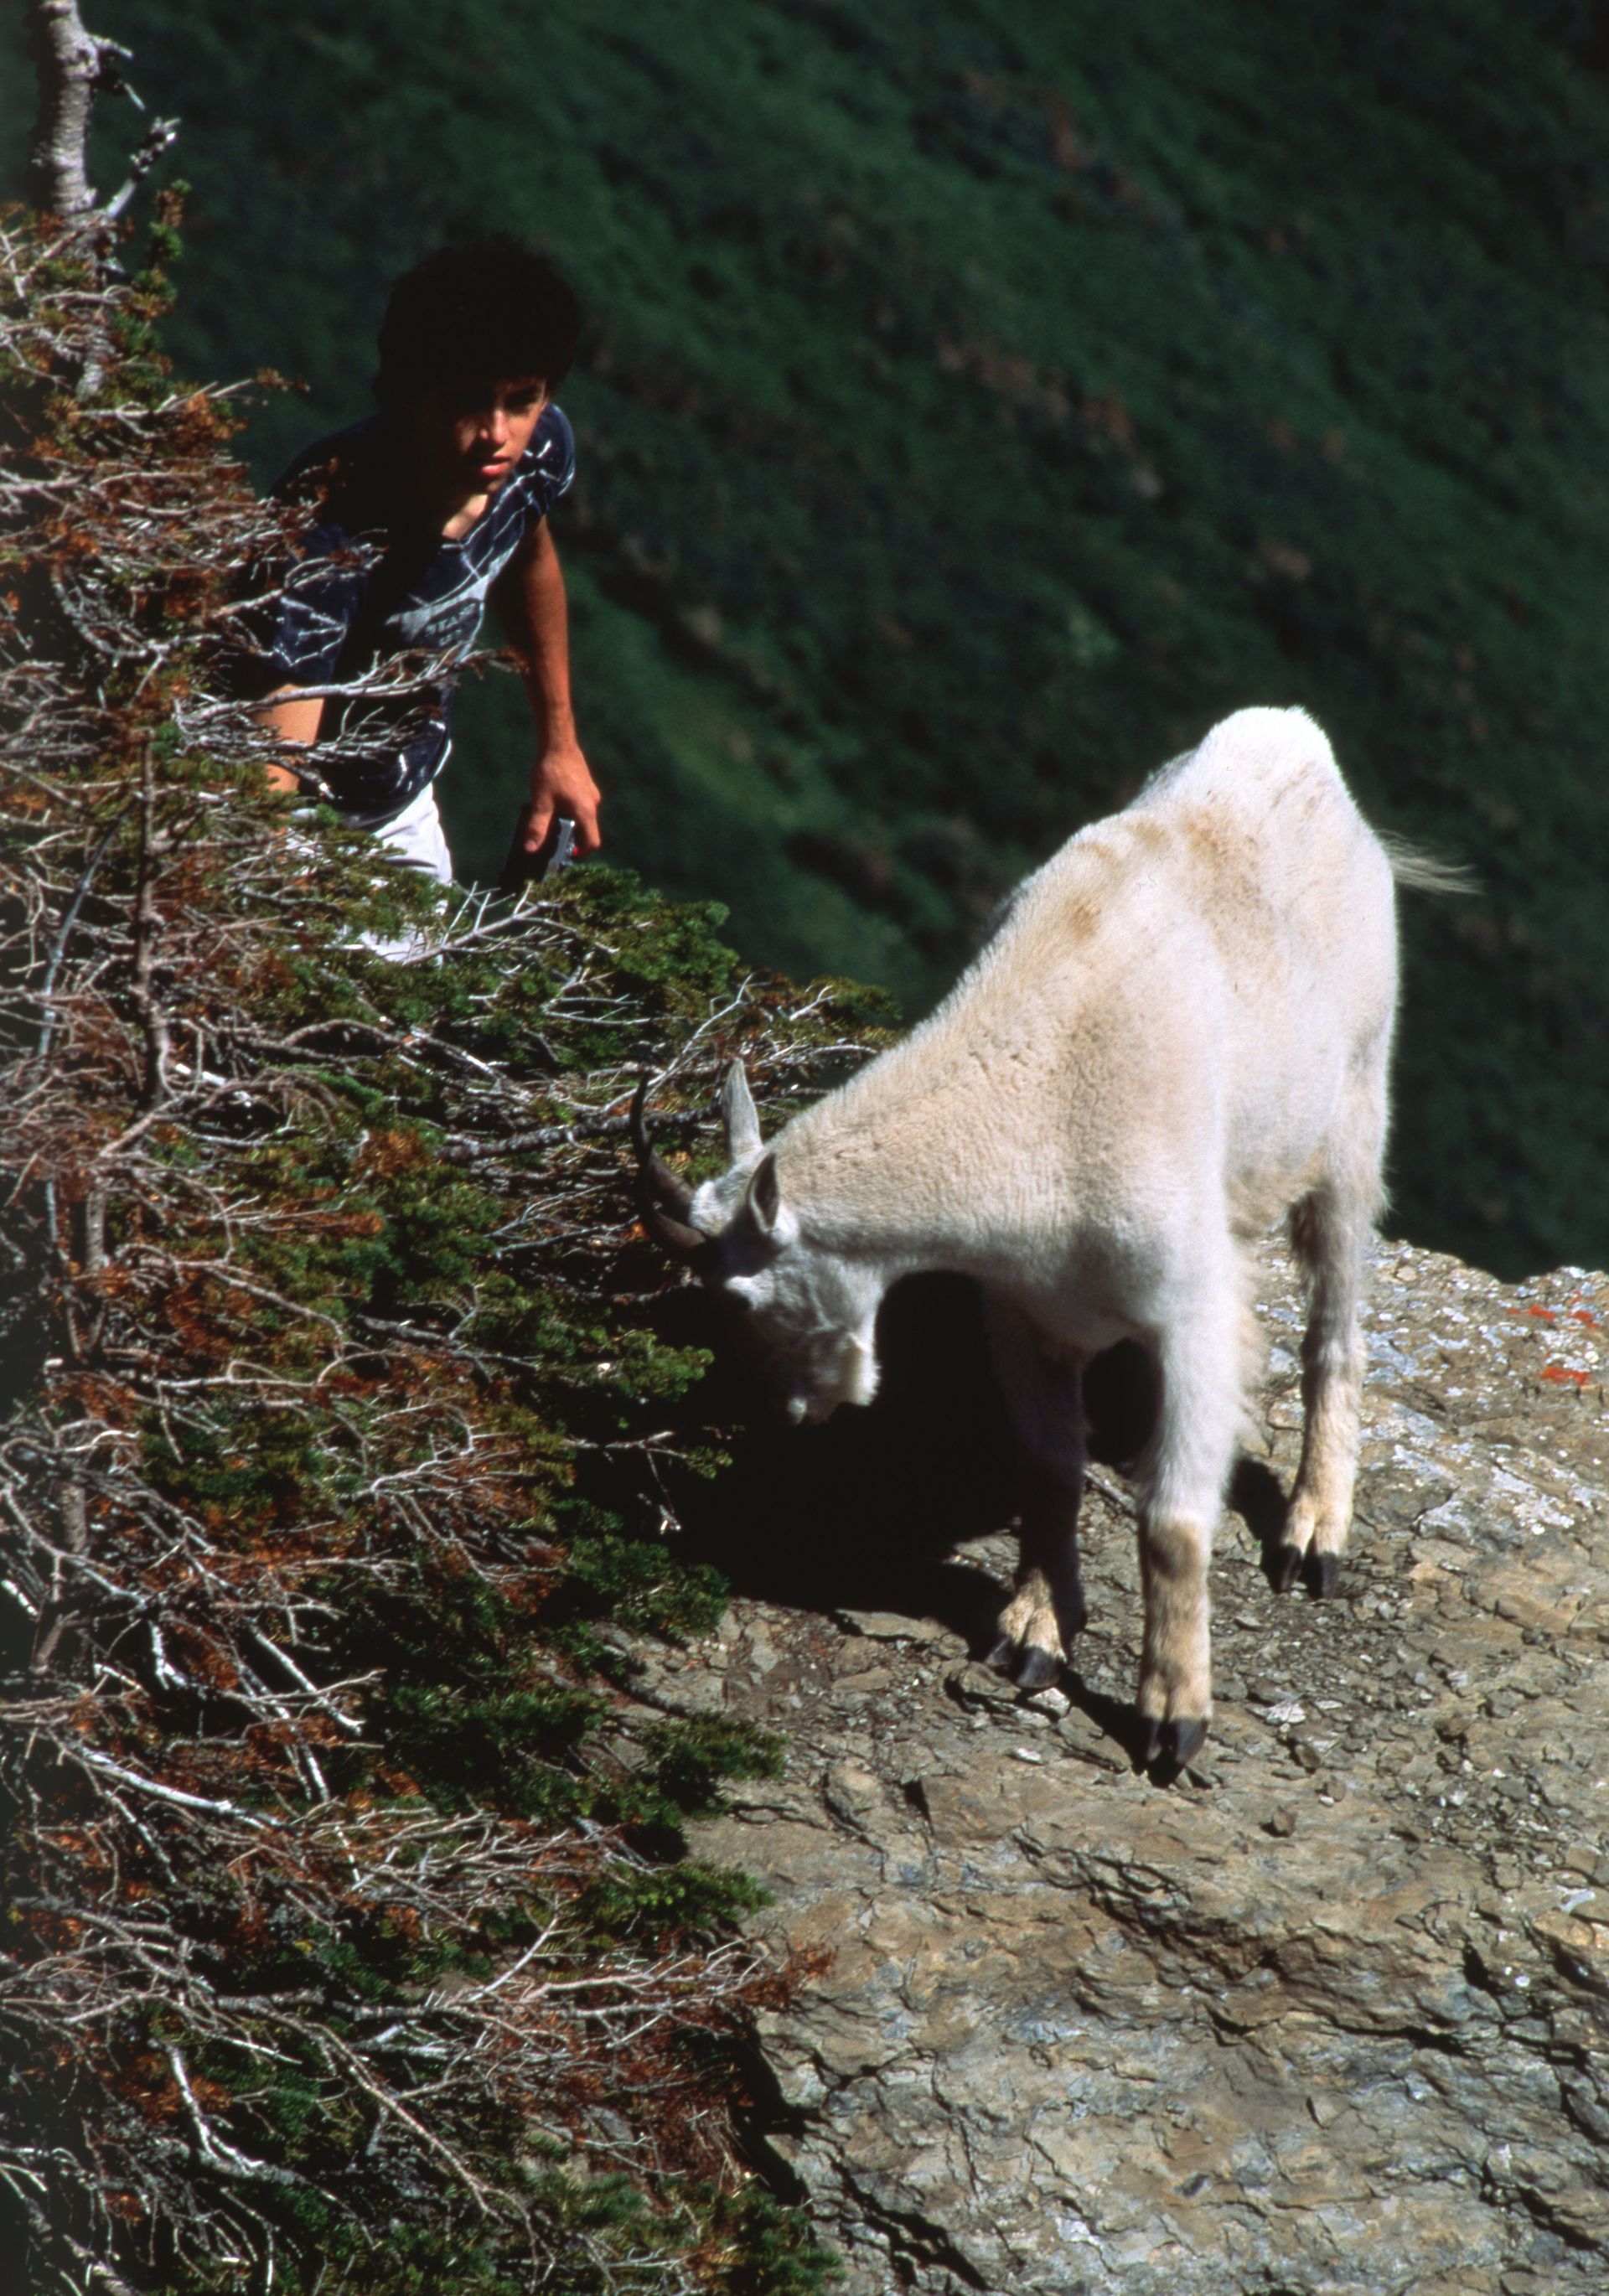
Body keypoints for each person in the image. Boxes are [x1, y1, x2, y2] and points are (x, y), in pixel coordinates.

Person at [253, 237, 601, 882]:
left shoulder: (536, 455)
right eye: (469, 402)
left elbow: (527, 559)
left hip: (399, 801)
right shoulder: (325, 538)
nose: (498, 433)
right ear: (410, 391)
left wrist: (559, 744)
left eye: (522, 401)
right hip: (300, 821)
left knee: (430, 980)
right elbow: (270, 768)